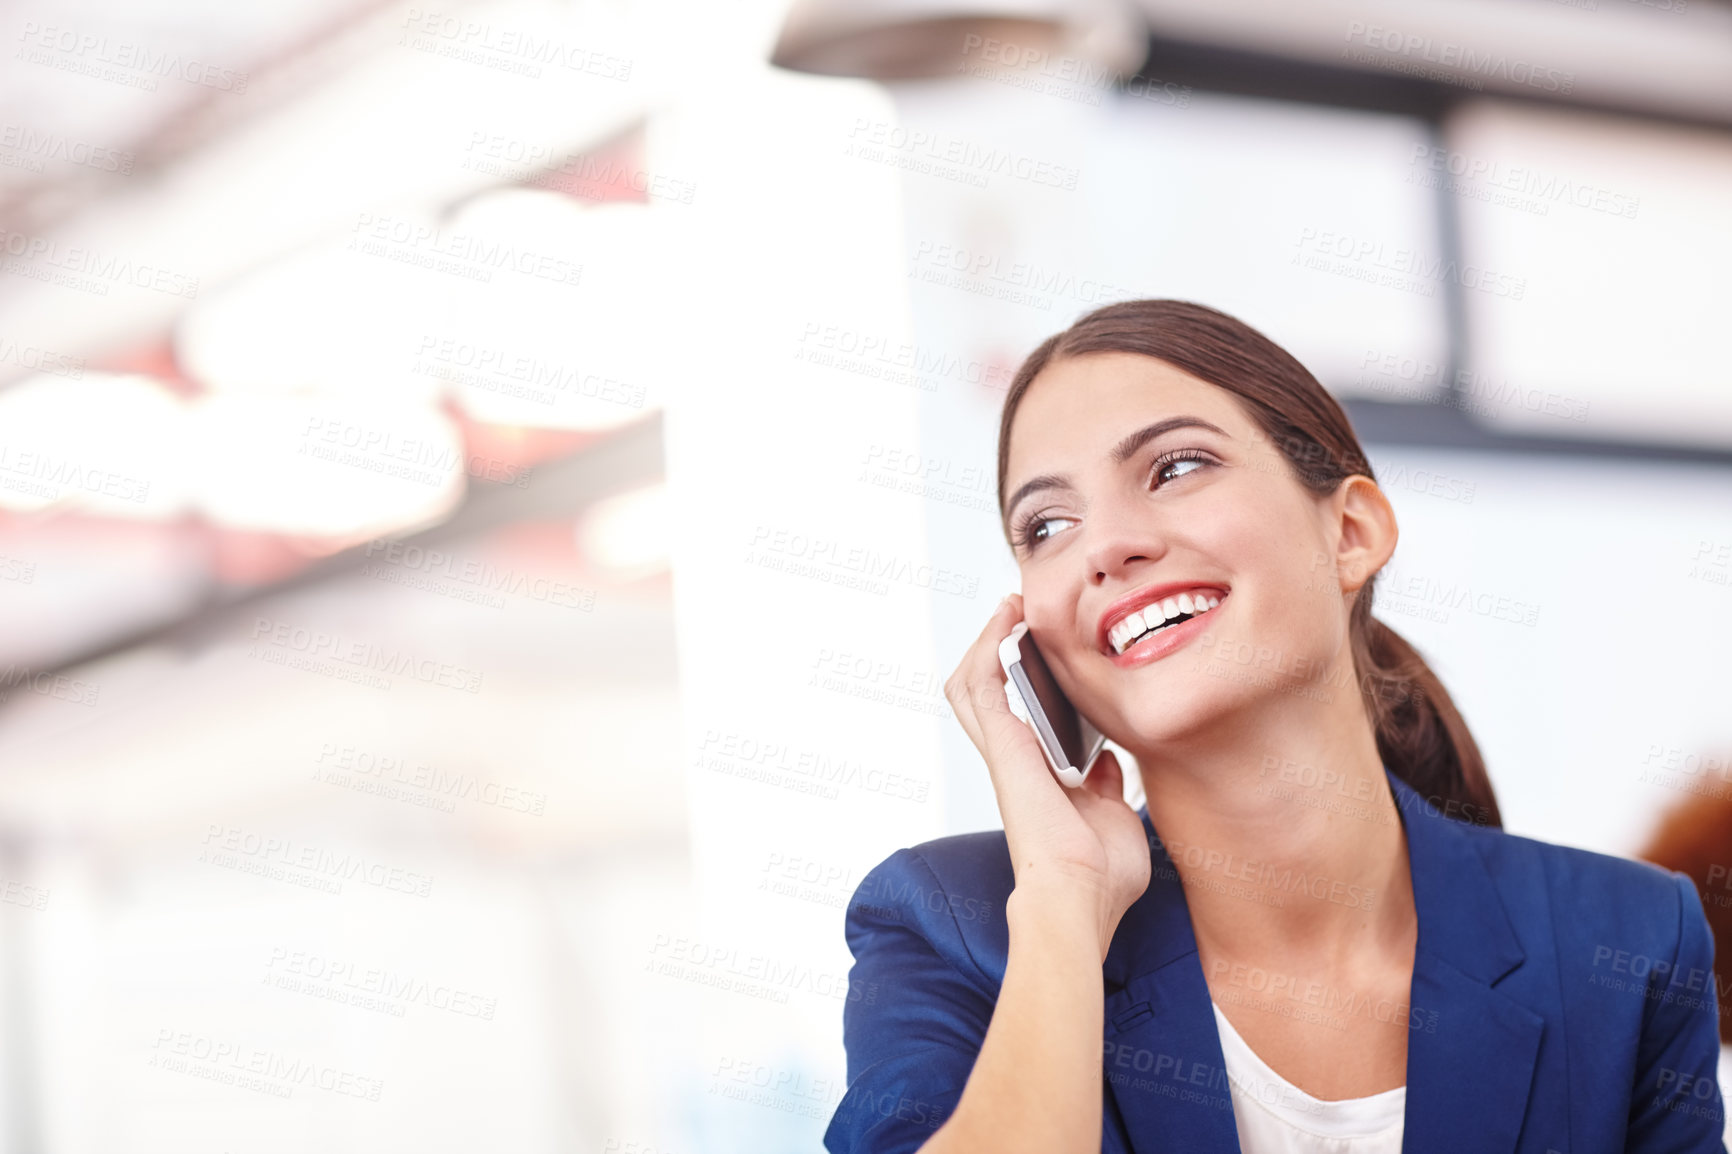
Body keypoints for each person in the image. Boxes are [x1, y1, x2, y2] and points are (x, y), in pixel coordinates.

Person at [821, 300, 1726, 1154]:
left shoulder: (1630, 943)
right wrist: (1063, 898)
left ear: (1352, 532)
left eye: (1175, 468)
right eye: (1047, 524)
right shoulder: (951, 925)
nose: (1105, 547)